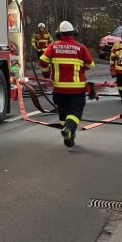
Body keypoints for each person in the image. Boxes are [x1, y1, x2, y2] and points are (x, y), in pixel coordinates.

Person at [39, 20, 95, 148]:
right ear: (73, 33)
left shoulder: (53, 46)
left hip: (59, 89)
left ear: (59, 33)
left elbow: (42, 61)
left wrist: (46, 73)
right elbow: (90, 64)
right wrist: (81, 67)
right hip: (76, 89)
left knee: (63, 115)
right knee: (75, 112)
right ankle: (69, 130)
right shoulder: (81, 47)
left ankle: (69, 133)